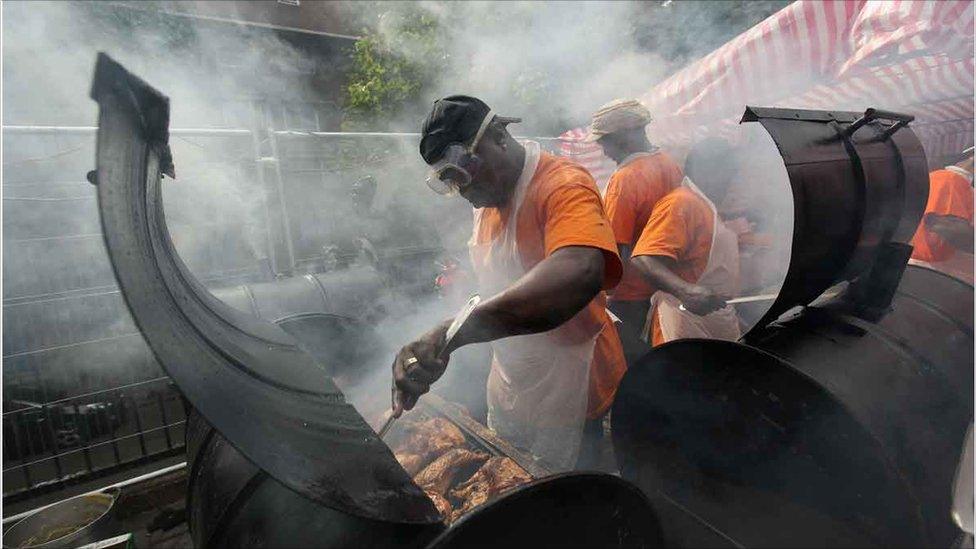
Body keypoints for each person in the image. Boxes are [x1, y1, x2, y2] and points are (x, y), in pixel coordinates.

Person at [391, 95, 626, 472]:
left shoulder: (562, 184)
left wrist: (454, 334)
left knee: (570, 499)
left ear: (499, 135)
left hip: (572, 382)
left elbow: (578, 272)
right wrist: (444, 336)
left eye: (465, 168)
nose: (464, 191)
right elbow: (494, 286)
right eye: (450, 180)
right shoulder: (488, 203)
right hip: (512, 379)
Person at [583, 99, 683, 357]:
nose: (603, 151)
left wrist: (598, 296)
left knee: (632, 366)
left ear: (623, 137)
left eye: (603, 142)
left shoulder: (625, 180)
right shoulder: (669, 163)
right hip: (666, 286)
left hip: (631, 298)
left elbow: (616, 251)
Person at [630, 137, 741, 346]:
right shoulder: (682, 202)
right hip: (684, 319)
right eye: (728, 173)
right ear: (707, 171)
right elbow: (643, 259)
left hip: (714, 316)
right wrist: (685, 291)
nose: (732, 180)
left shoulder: (706, 205)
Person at [909, 147, 974, 284]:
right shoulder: (949, 179)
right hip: (931, 274)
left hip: (943, 275)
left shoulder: (960, 183)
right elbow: (946, 227)